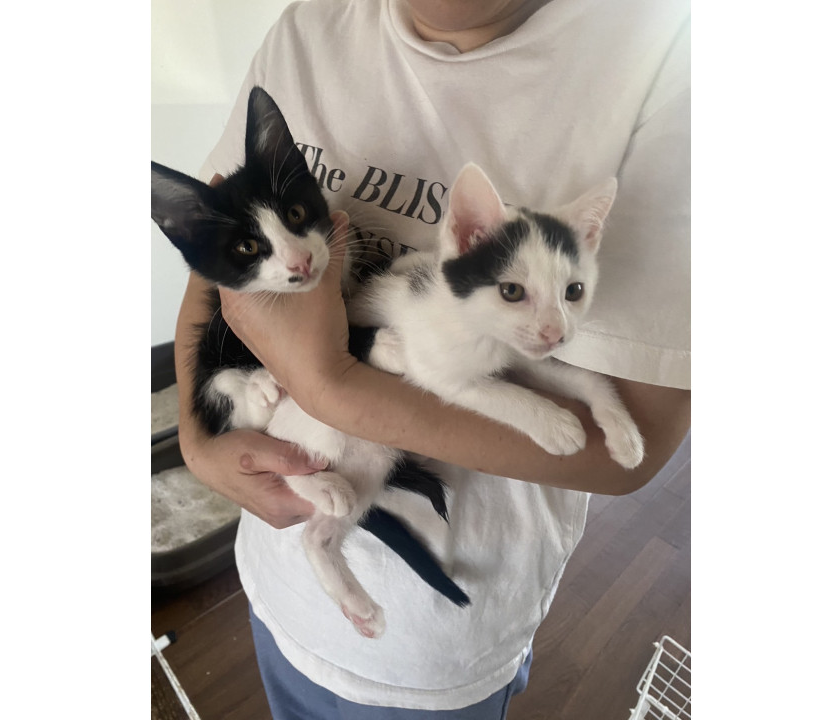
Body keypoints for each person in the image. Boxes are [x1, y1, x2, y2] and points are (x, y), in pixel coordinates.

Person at [173, 0, 691, 716]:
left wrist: (328, 382)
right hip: (273, 584)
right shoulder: (307, 27)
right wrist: (197, 440)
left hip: (431, 654)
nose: (554, 327)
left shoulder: (664, 57)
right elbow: (213, 276)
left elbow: (631, 445)